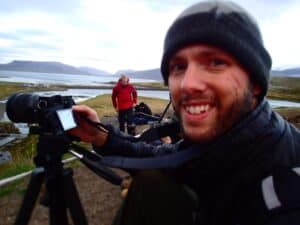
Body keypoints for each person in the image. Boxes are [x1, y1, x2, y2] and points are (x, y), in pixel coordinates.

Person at [70, 1, 300, 225]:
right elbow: (161, 157)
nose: (187, 84)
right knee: (153, 180)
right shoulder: (223, 140)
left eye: (216, 62)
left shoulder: (285, 197)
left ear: (256, 83)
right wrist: (100, 136)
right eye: (179, 67)